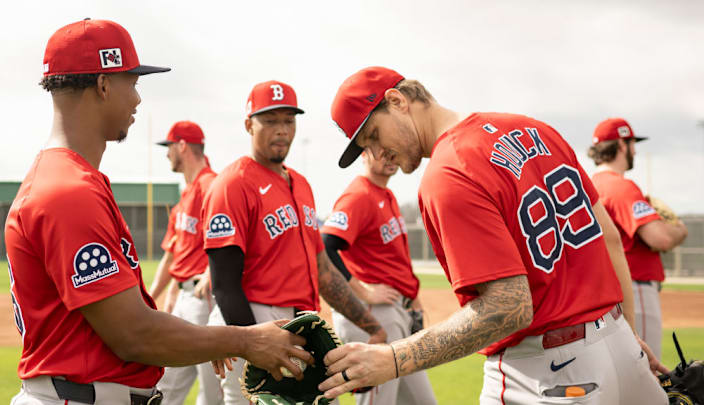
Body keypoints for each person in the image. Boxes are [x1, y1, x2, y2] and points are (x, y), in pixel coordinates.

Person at [318, 66, 669, 404]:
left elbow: (508, 308)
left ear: (397, 101)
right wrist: (628, 338)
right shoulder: (533, 127)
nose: (377, 152)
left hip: (547, 371)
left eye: (374, 135)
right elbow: (608, 238)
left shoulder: (447, 172)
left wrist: (393, 359)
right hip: (620, 344)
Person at [5, 19, 312, 405]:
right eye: (132, 83)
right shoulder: (68, 191)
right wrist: (247, 340)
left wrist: (208, 340)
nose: (137, 100)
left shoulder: (68, 179)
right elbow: (135, 335)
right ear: (103, 85)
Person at [201, 80, 386, 405]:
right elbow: (225, 285)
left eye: (288, 120)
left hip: (301, 323)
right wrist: (252, 345)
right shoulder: (232, 184)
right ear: (249, 125)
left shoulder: (301, 185)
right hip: (251, 319)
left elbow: (323, 271)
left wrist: (371, 325)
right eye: (270, 120)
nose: (281, 130)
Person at [320, 150, 437, 405]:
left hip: (396, 310)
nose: (390, 156)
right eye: (380, 150)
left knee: (423, 401)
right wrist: (363, 291)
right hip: (375, 314)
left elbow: (395, 261)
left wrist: (414, 302)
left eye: (393, 150)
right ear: (363, 152)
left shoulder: (386, 194)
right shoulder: (359, 195)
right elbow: (326, 245)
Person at [588, 118, 688, 358]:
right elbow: (660, 238)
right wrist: (679, 229)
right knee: (647, 369)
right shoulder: (621, 187)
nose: (635, 150)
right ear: (622, 145)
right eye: (632, 143)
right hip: (635, 287)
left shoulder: (589, 185)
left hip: (603, 292)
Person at [148, 121, 222, 405]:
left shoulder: (211, 185)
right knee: (166, 385)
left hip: (205, 298)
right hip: (183, 298)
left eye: (169, 147)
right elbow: (171, 254)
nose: (167, 154)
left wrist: (210, 270)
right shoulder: (186, 195)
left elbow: (230, 234)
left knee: (212, 389)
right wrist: (153, 296)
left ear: (182, 146)